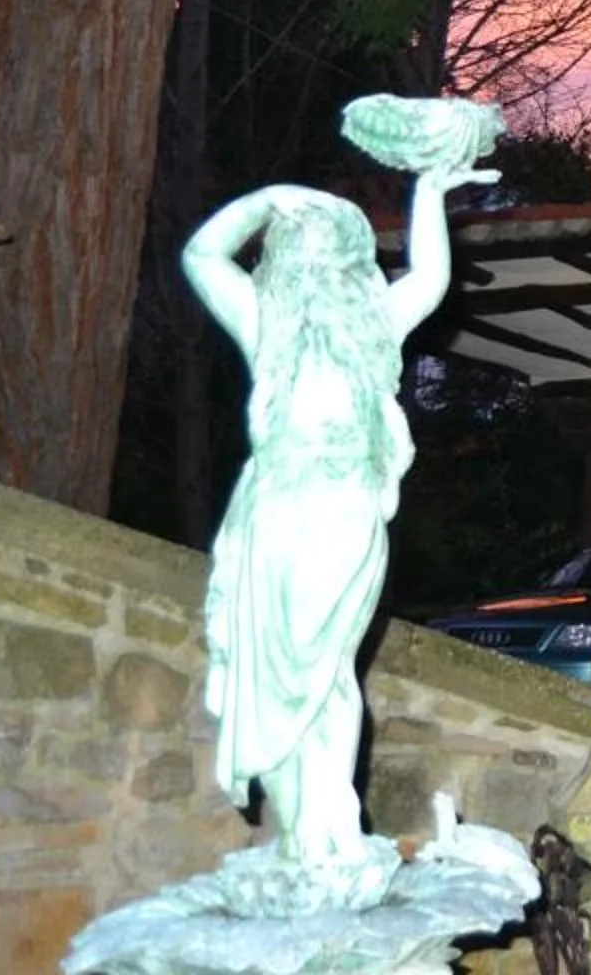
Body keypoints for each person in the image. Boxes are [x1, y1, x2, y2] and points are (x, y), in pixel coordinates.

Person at [181, 157, 494, 867]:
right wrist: (265, 195)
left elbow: (430, 280)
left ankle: (334, 823)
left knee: (325, 671)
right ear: (287, 259)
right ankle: (302, 837)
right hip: (274, 514)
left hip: (346, 509)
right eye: (304, 242)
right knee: (278, 680)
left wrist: (430, 194)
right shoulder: (266, 320)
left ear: (353, 259)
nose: (318, 255)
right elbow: (201, 252)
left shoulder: (374, 325)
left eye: (334, 242)